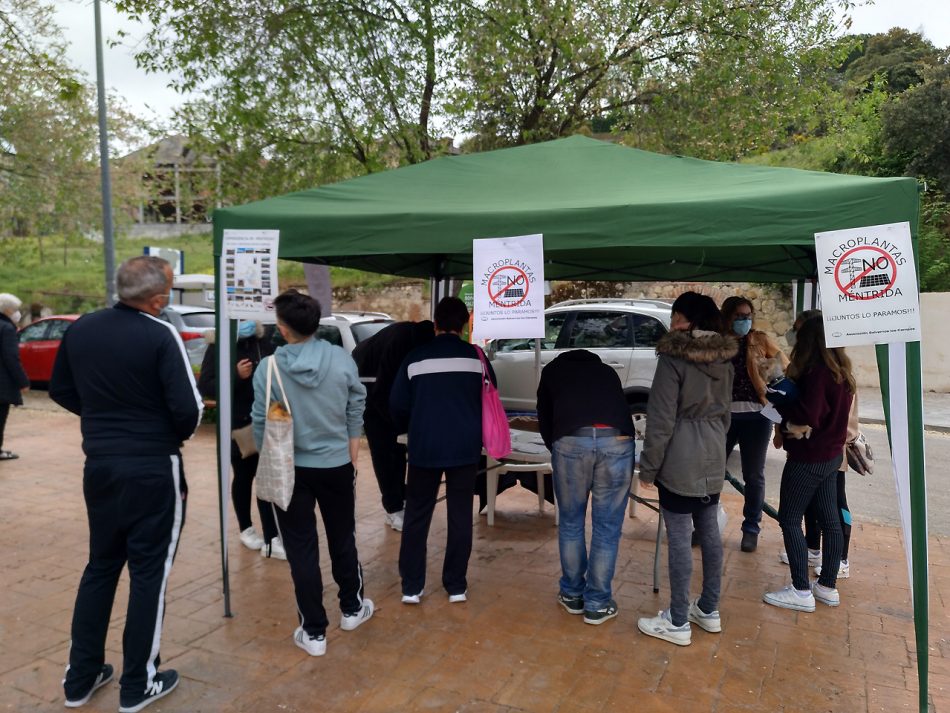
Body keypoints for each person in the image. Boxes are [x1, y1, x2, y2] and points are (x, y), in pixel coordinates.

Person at [50, 256, 202, 712]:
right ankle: (139, 683)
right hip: (153, 466)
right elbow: (189, 411)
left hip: (100, 467)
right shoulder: (159, 333)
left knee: (101, 565)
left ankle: (81, 677)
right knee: (148, 575)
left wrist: (104, 423)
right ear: (157, 299)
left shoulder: (81, 328)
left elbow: (60, 389)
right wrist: (156, 432)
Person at [251, 290, 372, 657]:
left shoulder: (268, 368)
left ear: (283, 330)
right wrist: (352, 446)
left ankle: (314, 632)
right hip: (336, 465)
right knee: (343, 537)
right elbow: (357, 401)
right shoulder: (340, 359)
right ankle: (352, 609)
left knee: (301, 549)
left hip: (290, 469)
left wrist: (269, 455)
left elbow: (261, 422)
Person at [637, 292, 737, 646]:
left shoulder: (673, 358)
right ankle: (708, 609)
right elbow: (725, 414)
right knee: (709, 531)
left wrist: (648, 468)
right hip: (713, 451)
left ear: (688, 320)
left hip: (680, 453)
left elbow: (660, 420)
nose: (672, 323)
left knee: (679, 537)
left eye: (676, 316)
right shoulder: (726, 358)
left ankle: (678, 619)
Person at [390, 296, 490, 605]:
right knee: (460, 515)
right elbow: (489, 398)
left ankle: (411, 586)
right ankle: (456, 586)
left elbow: (396, 405)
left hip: (425, 446)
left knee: (417, 515)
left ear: (435, 325)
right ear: (464, 325)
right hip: (465, 448)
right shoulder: (477, 359)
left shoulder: (416, 358)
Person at [536, 349, 635, 625]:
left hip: (571, 442)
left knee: (570, 522)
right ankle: (598, 603)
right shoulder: (606, 372)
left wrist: (556, 447)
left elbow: (544, 417)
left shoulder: (553, 372)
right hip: (617, 442)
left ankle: (572, 594)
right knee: (607, 527)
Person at [763, 315, 855, 612]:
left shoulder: (817, 373)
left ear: (809, 340)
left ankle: (801, 589)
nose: (793, 336)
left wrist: (780, 396)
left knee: (789, 518)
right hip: (830, 456)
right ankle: (827, 586)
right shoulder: (841, 372)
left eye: (798, 334)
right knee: (831, 521)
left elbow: (808, 415)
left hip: (809, 457)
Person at [198, 322, 284, 558]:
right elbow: (206, 386)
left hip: (270, 418)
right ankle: (246, 528)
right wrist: (235, 375)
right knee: (245, 475)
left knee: (268, 476)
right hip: (240, 423)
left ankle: (272, 536)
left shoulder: (263, 340)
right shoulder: (219, 345)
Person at [352, 319, 435, 531]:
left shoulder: (417, 341)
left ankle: (401, 498)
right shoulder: (401, 340)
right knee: (383, 452)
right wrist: (396, 421)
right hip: (368, 387)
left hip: (384, 388)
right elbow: (382, 390)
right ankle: (392, 508)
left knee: (397, 450)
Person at [721, 295, 788, 553]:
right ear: (728, 317)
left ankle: (751, 528)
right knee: (713, 472)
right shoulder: (717, 342)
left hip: (757, 416)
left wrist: (770, 372)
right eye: (739, 316)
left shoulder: (759, 340)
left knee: (754, 475)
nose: (744, 320)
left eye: (748, 315)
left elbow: (784, 369)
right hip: (724, 416)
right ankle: (706, 522)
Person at [0, 293, 29, 460]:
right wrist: (23, 381)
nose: (17, 313)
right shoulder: (7, 328)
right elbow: (11, 357)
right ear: (8, 309)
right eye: (15, 309)